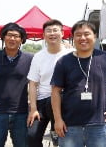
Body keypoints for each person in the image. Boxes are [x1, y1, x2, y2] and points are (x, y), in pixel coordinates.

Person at [50, 20, 106, 147]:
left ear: (95, 36)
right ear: (73, 38)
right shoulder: (63, 62)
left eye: (87, 34)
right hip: (70, 125)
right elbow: (55, 91)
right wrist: (58, 120)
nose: (83, 38)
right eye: (78, 35)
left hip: (100, 124)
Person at [26, 19, 73, 147]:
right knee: (31, 136)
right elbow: (33, 83)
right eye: (48, 31)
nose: (52, 33)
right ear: (43, 35)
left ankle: (55, 135)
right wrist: (33, 109)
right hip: (42, 101)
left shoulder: (72, 53)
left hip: (64, 100)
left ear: (62, 34)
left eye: (55, 30)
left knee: (60, 136)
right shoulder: (38, 56)